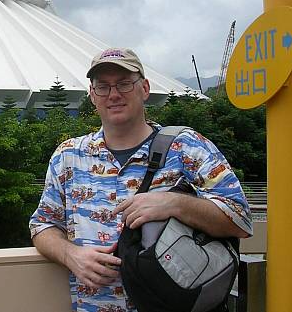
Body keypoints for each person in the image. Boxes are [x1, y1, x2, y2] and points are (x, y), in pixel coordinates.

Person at [29, 48, 252, 312]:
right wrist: (71, 255)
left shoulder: (187, 147)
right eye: (103, 86)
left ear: (144, 88)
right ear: (92, 96)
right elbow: (42, 225)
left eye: (124, 83)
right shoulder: (68, 156)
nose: (114, 94)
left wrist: (174, 204)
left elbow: (240, 219)